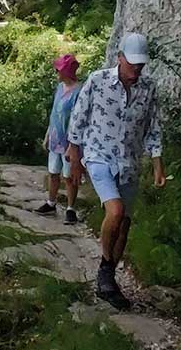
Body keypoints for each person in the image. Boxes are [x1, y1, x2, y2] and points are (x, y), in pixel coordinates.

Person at [66, 32, 166, 310]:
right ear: (119, 57)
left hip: (129, 162)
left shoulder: (148, 88)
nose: (136, 69)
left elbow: (153, 127)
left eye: (141, 64)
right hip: (99, 156)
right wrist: (74, 156)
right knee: (116, 210)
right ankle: (105, 273)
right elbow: (79, 116)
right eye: (132, 63)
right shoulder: (98, 81)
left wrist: (158, 165)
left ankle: (107, 275)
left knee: (124, 225)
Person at [35, 54, 82, 225]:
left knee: (69, 176)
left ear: (66, 71)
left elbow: (78, 118)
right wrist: (48, 134)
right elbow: (54, 113)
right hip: (55, 138)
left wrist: (74, 144)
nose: (57, 72)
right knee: (53, 172)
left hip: (70, 141)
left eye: (59, 70)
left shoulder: (79, 92)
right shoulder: (59, 88)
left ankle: (70, 209)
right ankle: (51, 202)